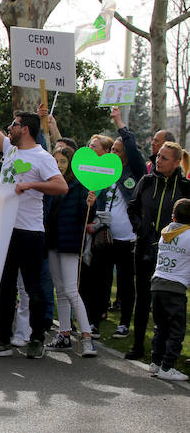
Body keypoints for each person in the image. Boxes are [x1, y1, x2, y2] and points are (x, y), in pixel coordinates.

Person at [0, 93, 68, 359]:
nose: (9, 129)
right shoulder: (10, 149)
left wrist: (31, 184)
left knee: (32, 288)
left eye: (14, 125)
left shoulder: (42, 157)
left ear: (25, 129)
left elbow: (60, 186)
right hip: (4, 230)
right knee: (3, 286)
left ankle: (36, 337)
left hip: (29, 232)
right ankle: (2, 339)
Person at [125, 140, 190, 360]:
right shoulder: (147, 181)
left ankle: (164, 354)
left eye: (163, 157)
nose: (158, 160)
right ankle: (137, 346)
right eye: (158, 156)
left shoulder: (185, 186)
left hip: (172, 255)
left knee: (166, 305)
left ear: (176, 162)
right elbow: (132, 207)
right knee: (142, 298)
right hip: (144, 247)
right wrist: (141, 229)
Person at [84, 107, 145, 340]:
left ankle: (124, 323)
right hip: (104, 236)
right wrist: (92, 204)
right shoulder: (103, 172)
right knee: (100, 281)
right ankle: (96, 320)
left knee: (126, 283)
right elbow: (96, 202)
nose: (115, 154)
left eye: (119, 151)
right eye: (114, 150)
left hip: (127, 239)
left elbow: (134, 149)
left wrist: (119, 122)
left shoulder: (134, 172)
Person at [42, 147, 98, 357]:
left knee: (72, 291)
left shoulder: (78, 186)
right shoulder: (52, 185)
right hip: (53, 242)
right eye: (55, 161)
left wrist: (91, 205)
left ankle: (86, 337)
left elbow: (86, 215)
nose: (58, 165)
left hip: (69, 243)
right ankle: (64, 334)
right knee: (60, 291)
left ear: (71, 163)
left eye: (63, 161)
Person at [148, 198, 190, 381]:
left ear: (173, 216)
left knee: (161, 326)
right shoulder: (188, 235)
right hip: (176, 287)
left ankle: (155, 362)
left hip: (158, 284)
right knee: (176, 329)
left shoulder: (165, 232)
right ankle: (168, 366)